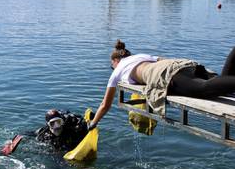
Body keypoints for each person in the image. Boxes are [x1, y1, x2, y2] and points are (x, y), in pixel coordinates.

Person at [88, 40, 235, 130]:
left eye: (111, 66)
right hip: (179, 64)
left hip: (163, 74)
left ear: (116, 61)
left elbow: (104, 105)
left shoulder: (117, 71)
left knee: (204, 89)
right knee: (220, 83)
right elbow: (162, 60)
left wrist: (93, 124)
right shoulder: (140, 56)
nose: (111, 69)